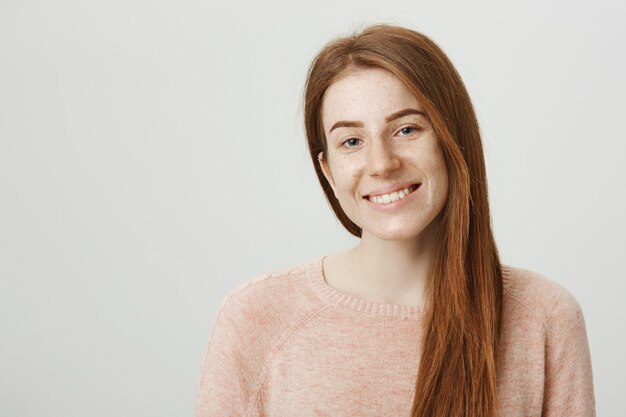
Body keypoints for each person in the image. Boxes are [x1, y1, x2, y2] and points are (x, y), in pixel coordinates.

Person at [194, 23, 596, 417]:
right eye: (351, 141)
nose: (382, 163)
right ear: (328, 170)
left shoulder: (544, 317)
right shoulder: (257, 317)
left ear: (452, 141)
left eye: (406, 129)